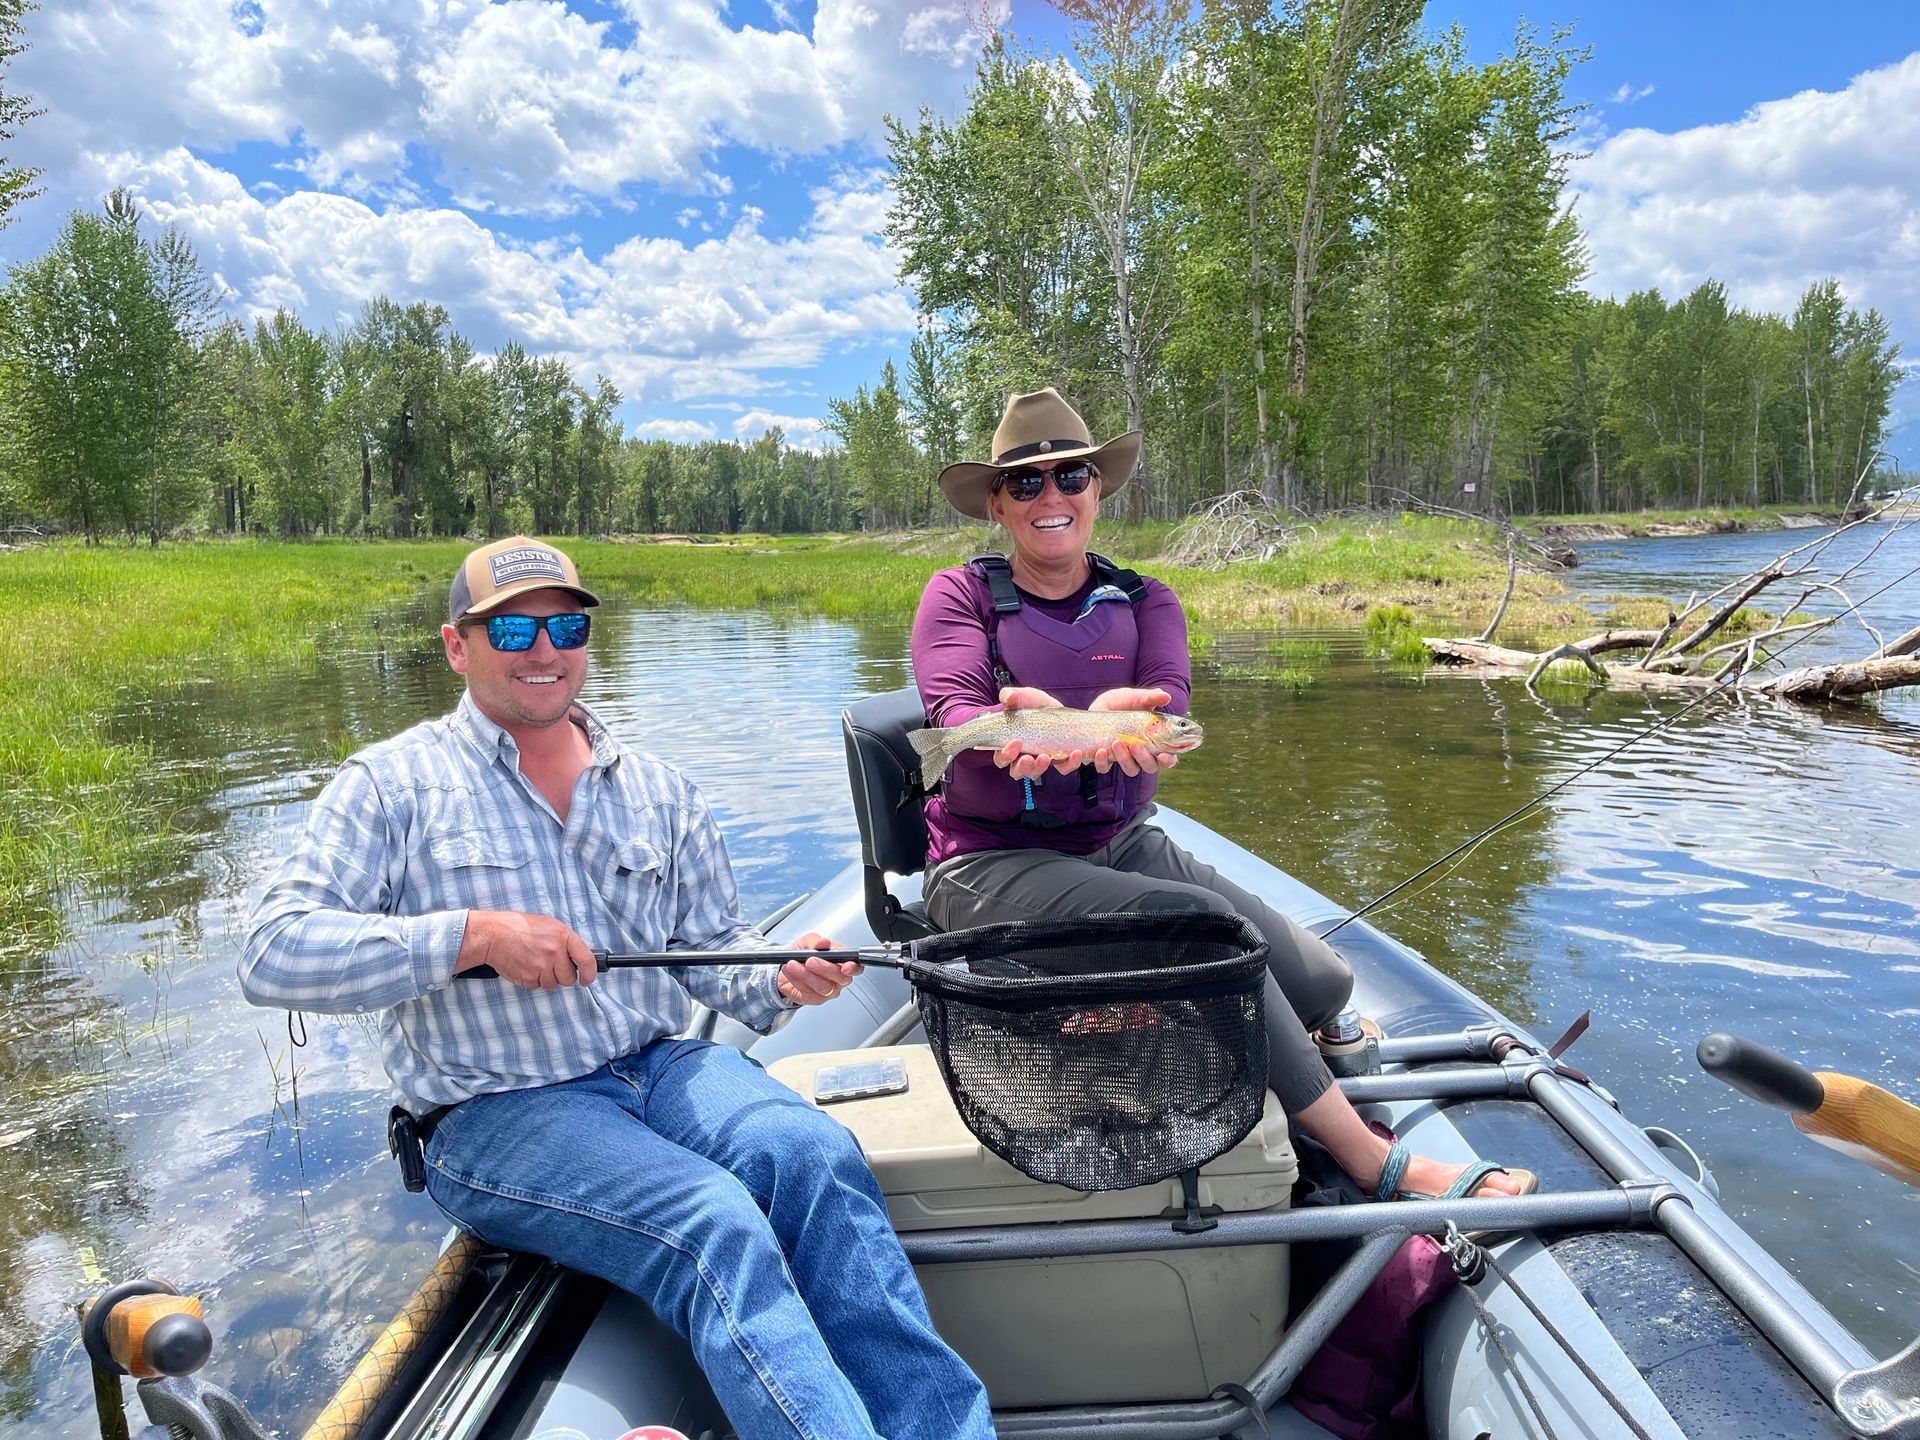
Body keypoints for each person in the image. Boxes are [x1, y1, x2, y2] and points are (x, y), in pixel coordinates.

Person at [242, 537, 993, 1440]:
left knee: (813, 1157)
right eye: (513, 627)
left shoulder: (658, 790)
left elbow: (715, 946)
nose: (543, 648)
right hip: (494, 1112)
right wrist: (471, 938)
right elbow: (274, 952)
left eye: (566, 624)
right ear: (457, 646)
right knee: (714, 1222)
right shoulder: (390, 787)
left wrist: (788, 976)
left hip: (661, 1067)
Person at [912, 389, 1532, 1207]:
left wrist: (1126, 720)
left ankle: (1256, 1036)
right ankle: (1365, 1154)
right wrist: (1003, 724)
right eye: (1026, 484)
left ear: (1100, 488)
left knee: (1324, 984)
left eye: (1072, 475)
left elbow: (1167, 700)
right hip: (990, 866)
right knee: (1205, 934)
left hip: (1121, 843)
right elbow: (955, 708)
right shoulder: (957, 595)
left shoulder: (1145, 600)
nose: (1051, 497)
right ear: (997, 503)